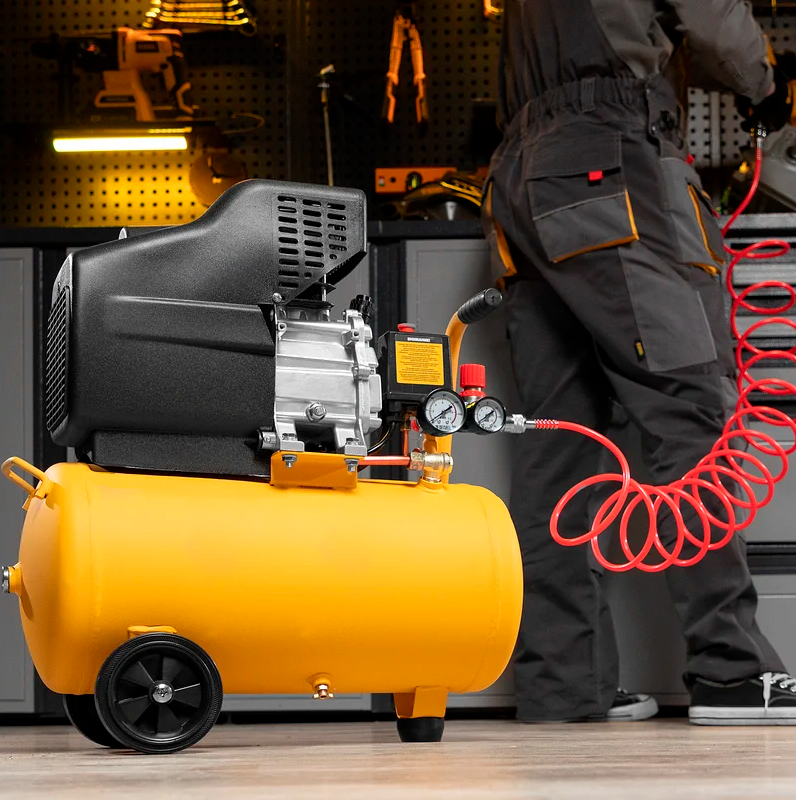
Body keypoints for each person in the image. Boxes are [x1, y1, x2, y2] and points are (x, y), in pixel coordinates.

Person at [484, 0, 796, 725]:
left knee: (560, 440)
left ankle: (564, 684)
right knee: (690, 408)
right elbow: (716, 23)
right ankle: (731, 670)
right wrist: (767, 85)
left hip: (520, 176)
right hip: (608, 161)